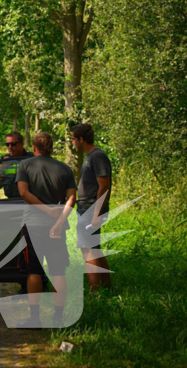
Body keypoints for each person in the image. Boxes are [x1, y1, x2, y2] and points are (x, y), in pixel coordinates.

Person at [16, 132, 77, 327]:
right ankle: (58, 318)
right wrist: (59, 221)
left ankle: (35, 319)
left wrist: (46, 210)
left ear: (34, 148)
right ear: (51, 148)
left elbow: (23, 192)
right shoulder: (65, 169)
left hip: (33, 225)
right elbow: (71, 199)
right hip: (57, 228)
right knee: (58, 271)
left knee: (34, 271)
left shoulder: (25, 165)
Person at [71, 123, 113, 292]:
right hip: (86, 208)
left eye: (73, 139)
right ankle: (107, 287)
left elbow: (104, 185)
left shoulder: (97, 156)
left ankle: (94, 292)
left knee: (87, 250)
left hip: (90, 209)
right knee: (94, 249)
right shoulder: (90, 156)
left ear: (81, 139)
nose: (73, 143)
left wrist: (96, 213)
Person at [0, 131, 34, 198]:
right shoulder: (5, 160)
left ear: (21, 144)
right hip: (11, 200)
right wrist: (1, 167)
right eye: (7, 144)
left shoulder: (32, 158)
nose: (10, 147)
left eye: (13, 144)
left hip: (29, 200)